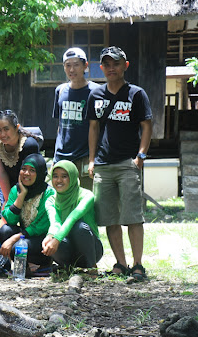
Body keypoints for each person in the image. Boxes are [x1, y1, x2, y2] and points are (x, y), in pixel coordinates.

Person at [86, 46, 153, 281]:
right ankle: (121, 264)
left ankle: (137, 266)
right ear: (101, 68)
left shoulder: (136, 94)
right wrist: (92, 160)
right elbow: (93, 128)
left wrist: (141, 157)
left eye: (116, 63)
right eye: (106, 64)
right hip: (103, 165)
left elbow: (147, 125)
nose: (111, 68)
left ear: (125, 65)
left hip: (128, 163)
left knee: (133, 216)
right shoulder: (95, 95)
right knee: (109, 218)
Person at [42, 160, 103, 270]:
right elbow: (55, 223)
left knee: (78, 227)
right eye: (55, 176)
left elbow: (73, 217)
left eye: (64, 176)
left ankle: (92, 267)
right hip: (67, 246)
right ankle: (67, 267)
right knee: (51, 239)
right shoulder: (50, 200)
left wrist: (56, 239)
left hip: (92, 249)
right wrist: (50, 236)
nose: (59, 180)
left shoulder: (86, 195)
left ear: (73, 176)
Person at [52, 48, 100, 190]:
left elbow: (95, 127)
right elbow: (60, 126)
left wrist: (92, 159)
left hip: (84, 156)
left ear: (85, 66)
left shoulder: (95, 92)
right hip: (62, 157)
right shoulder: (60, 90)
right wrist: (56, 156)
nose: (72, 69)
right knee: (62, 199)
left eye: (76, 64)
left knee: (87, 198)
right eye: (68, 65)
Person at [0, 153, 54, 275]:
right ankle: (24, 268)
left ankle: (44, 264)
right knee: (5, 231)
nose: (26, 173)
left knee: (16, 247)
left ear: (39, 173)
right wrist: (21, 195)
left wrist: (15, 238)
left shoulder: (49, 194)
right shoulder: (16, 190)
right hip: (25, 237)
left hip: (43, 241)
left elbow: (40, 227)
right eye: (24, 169)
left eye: (32, 170)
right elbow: (10, 219)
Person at [0, 110, 41, 206]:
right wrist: (8, 201)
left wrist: (18, 201)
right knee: (7, 217)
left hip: (29, 184)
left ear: (17, 127)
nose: (2, 134)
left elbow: (30, 175)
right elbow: (1, 173)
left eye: (6, 129)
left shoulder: (29, 145)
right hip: (6, 184)